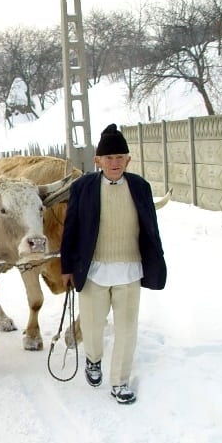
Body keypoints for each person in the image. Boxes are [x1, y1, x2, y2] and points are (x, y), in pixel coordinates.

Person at [60, 123, 166, 405]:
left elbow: (151, 229)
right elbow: (70, 229)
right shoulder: (83, 187)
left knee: (127, 330)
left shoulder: (141, 187)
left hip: (130, 272)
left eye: (120, 157)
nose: (115, 163)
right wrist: (67, 268)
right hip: (93, 271)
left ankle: (119, 382)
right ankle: (93, 360)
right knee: (92, 329)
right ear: (98, 161)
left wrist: (156, 261)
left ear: (128, 159)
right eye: (109, 158)